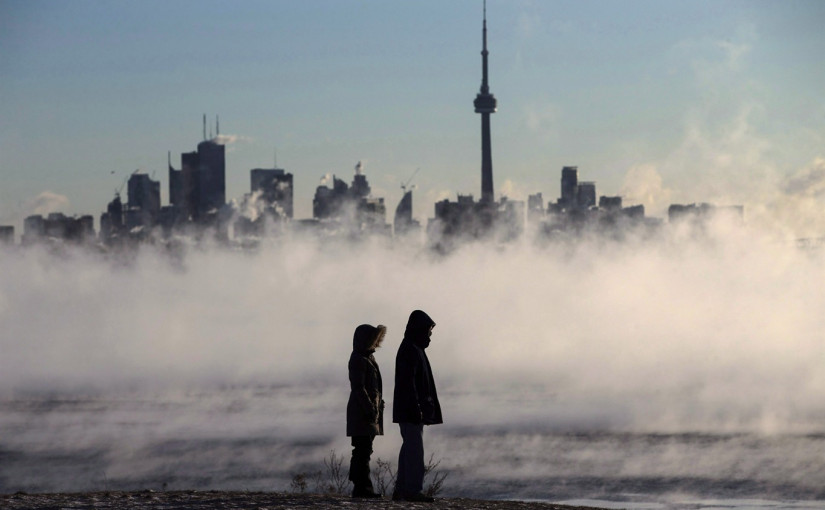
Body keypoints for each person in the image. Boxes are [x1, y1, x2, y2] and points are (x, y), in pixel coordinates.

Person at [392, 310, 442, 502]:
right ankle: (412, 490)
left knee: (409, 449)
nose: (430, 335)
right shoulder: (411, 350)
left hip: (409, 410)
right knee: (414, 451)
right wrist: (417, 408)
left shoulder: (412, 348)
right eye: (428, 331)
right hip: (410, 410)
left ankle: (403, 489)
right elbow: (408, 384)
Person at [346, 323, 386, 498]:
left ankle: (361, 486)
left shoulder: (367, 358)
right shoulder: (359, 359)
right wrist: (370, 408)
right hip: (362, 412)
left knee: (365, 450)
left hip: (368, 412)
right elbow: (359, 388)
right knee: (362, 450)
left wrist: (377, 407)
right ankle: (362, 487)